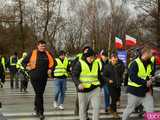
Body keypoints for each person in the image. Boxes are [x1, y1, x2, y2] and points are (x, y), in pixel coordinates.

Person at [22, 40, 54, 120]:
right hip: (34, 77)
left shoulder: (48, 53)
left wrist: (51, 69)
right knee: (39, 94)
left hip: (44, 77)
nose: (43, 47)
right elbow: (23, 62)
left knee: (39, 93)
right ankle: (41, 112)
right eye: (41, 46)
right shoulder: (32, 53)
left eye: (44, 46)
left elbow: (54, 63)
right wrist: (27, 67)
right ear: (37, 46)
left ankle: (36, 108)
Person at [122, 46, 154, 120]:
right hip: (134, 92)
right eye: (150, 53)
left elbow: (149, 75)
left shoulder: (150, 63)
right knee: (129, 110)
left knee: (150, 110)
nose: (151, 55)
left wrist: (151, 81)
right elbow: (133, 77)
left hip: (145, 92)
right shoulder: (134, 63)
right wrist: (145, 82)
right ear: (145, 53)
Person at [72, 47, 101, 120]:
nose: (92, 60)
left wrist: (101, 85)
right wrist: (78, 84)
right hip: (83, 90)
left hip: (95, 89)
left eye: (93, 58)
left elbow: (99, 76)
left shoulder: (96, 63)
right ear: (86, 56)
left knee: (97, 108)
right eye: (90, 58)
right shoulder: (80, 63)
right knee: (83, 109)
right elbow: (74, 76)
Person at [103, 52, 125, 118]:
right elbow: (104, 76)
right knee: (114, 98)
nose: (114, 61)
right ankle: (114, 112)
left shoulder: (120, 65)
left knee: (117, 97)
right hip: (111, 85)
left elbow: (122, 73)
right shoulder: (107, 66)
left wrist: (121, 79)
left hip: (118, 84)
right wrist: (108, 80)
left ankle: (110, 107)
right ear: (110, 59)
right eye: (113, 59)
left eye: (115, 59)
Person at [71, 46, 90, 116]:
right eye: (86, 50)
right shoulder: (79, 57)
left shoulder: (91, 58)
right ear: (83, 51)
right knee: (79, 97)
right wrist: (77, 81)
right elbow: (72, 66)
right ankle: (77, 110)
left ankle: (85, 112)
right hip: (79, 81)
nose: (87, 52)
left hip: (88, 82)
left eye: (88, 50)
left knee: (87, 98)